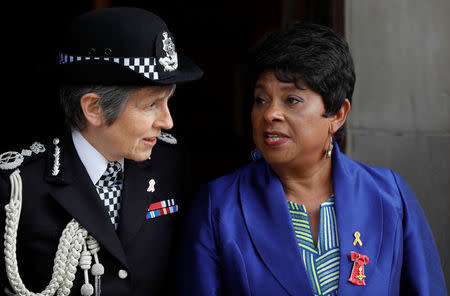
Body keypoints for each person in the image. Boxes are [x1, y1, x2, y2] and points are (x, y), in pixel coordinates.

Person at [175, 23, 446, 295]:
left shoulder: (389, 196)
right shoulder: (219, 206)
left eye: (291, 99)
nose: (270, 114)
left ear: (337, 115)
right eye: (261, 99)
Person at [0, 7, 202, 296]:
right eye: (150, 105)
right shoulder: (17, 186)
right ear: (94, 108)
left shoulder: (170, 162)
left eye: (168, 101)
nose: (167, 122)